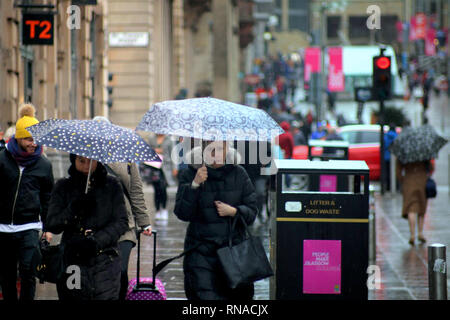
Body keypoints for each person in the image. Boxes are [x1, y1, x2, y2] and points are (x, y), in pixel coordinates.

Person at [174, 141, 258, 300]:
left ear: (227, 150)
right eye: (211, 150)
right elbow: (182, 213)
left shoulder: (239, 173)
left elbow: (252, 211)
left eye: (220, 149)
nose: (216, 155)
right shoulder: (191, 173)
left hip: (233, 252)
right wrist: (194, 185)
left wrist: (234, 211)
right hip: (200, 253)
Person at [45, 154, 128, 300]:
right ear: (74, 160)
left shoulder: (112, 185)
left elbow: (121, 222)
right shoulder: (64, 186)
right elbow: (52, 223)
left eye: (91, 161)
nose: (86, 166)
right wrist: (73, 209)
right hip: (73, 260)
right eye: (81, 161)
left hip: (105, 259)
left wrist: (97, 240)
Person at [92, 115, 153, 300]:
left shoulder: (126, 156)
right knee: (98, 272)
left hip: (124, 225)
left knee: (121, 270)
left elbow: (135, 191)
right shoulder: (85, 158)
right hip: (95, 224)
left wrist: (144, 222)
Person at [0, 103, 54, 301]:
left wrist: (48, 228)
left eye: (36, 139)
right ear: (19, 138)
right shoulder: (2, 160)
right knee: (6, 275)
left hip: (29, 226)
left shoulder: (44, 164)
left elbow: (48, 197)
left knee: (28, 273)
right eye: (29, 139)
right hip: (3, 227)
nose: (34, 143)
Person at [396, 159, 434, 245]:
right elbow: (431, 167)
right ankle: (420, 233)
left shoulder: (403, 152)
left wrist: (403, 180)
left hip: (408, 181)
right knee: (421, 208)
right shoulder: (424, 151)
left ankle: (412, 234)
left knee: (411, 208)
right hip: (422, 180)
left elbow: (398, 172)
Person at [144, 133, 177, 220]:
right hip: (154, 167)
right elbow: (146, 150)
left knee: (163, 189)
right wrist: (155, 150)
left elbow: (174, 154)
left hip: (165, 168)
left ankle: (164, 209)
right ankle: (158, 209)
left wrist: (175, 168)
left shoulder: (169, 139)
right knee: (156, 189)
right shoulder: (151, 137)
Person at [383, 124, 398, 191]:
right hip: (394, 158)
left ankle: (388, 187)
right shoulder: (396, 136)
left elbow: (384, 146)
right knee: (394, 173)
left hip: (386, 157)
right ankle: (396, 187)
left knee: (387, 173)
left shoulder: (386, 136)